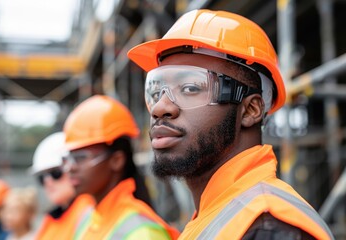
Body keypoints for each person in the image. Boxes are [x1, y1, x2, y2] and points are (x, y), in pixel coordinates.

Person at [128, 9, 334, 240]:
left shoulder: (267, 229)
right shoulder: (219, 215)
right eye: (156, 91)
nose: (159, 108)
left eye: (190, 88)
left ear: (250, 110)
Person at [62, 95, 180, 239]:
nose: (70, 168)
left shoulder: (143, 232)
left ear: (117, 160)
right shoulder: (88, 217)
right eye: (68, 158)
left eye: (80, 157)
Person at [30, 132, 95, 240]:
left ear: (72, 168)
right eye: (41, 177)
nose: (48, 181)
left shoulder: (89, 210)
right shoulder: (52, 218)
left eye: (55, 173)